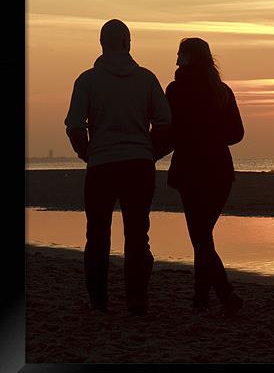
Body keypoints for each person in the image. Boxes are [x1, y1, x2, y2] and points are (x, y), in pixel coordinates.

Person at [64, 19, 172, 316]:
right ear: (128, 43)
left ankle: (99, 301)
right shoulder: (147, 79)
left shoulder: (86, 80)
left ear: (101, 44)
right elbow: (165, 122)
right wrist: (150, 151)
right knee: (137, 234)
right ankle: (136, 300)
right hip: (138, 165)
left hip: (101, 165)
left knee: (97, 235)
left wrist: (86, 152)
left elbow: (74, 125)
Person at [165, 38, 244, 317]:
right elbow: (236, 134)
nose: (176, 61)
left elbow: (169, 133)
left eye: (179, 55)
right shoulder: (222, 91)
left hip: (191, 172)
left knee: (200, 238)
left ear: (189, 58)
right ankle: (202, 298)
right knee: (203, 236)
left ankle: (223, 294)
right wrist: (212, 136)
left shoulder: (176, 90)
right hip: (220, 172)